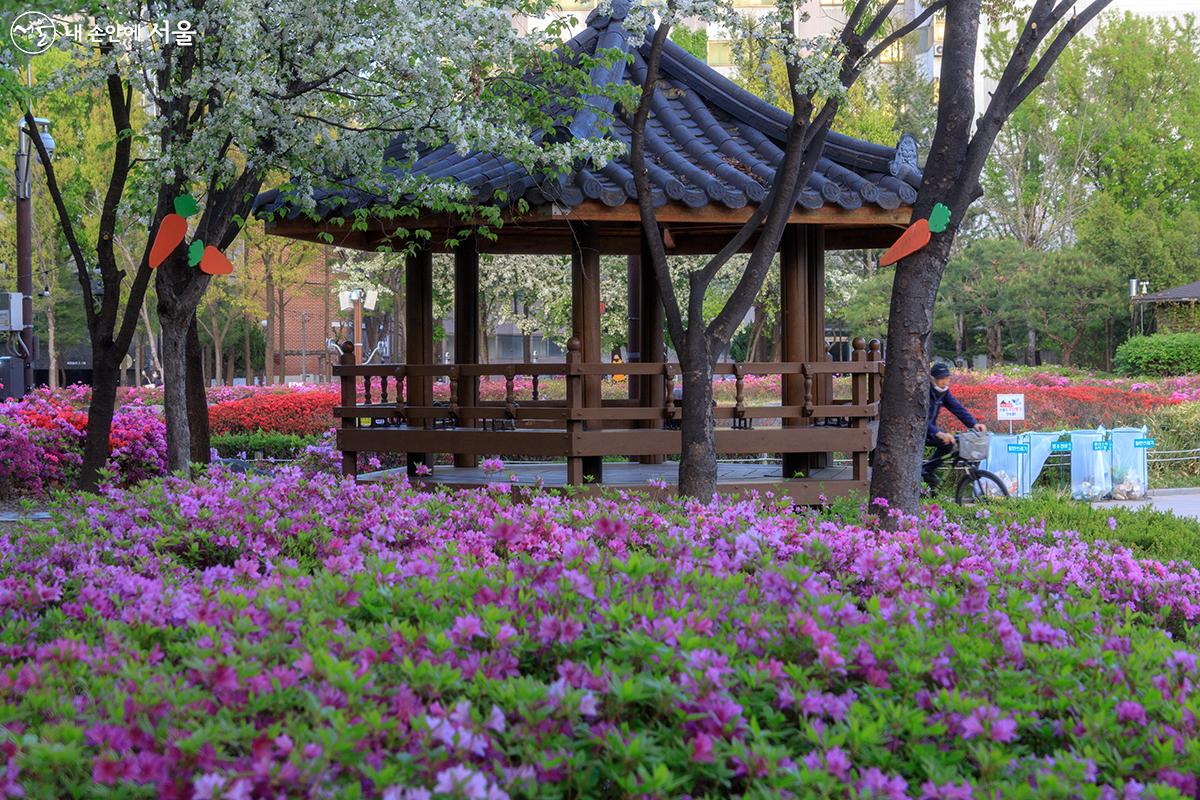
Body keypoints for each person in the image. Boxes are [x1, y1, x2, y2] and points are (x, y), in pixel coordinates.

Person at [923, 363, 987, 488]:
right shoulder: (925, 391)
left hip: (929, 430)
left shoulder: (943, 393)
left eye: (947, 378)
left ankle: (927, 471)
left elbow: (957, 408)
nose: (945, 382)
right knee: (945, 440)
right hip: (917, 431)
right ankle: (924, 471)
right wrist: (938, 433)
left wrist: (974, 424)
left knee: (949, 443)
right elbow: (920, 419)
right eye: (941, 379)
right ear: (933, 379)